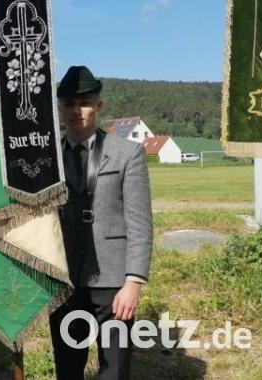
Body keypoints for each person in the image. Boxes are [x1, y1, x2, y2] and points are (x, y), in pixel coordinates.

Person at [49, 66, 153, 380]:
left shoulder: (128, 153)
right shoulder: (47, 159)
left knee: (115, 369)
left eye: (84, 102)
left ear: (98, 105)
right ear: (60, 108)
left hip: (113, 282)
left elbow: (140, 223)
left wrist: (133, 282)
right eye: (69, 104)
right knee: (68, 368)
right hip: (64, 281)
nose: (77, 110)